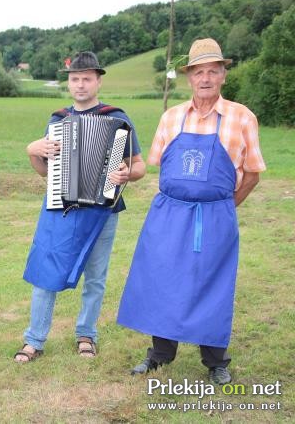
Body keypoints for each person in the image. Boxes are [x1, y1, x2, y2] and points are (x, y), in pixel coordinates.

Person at [117, 38, 266, 385]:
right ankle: (160, 354)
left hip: (214, 214)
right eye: (199, 72)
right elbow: (159, 167)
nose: (205, 79)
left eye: (213, 71)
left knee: (212, 282)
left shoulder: (242, 118)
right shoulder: (171, 118)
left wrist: (225, 207)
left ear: (223, 76)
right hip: (170, 213)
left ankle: (215, 361)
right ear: (189, 78)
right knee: (163, 277)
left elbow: (253, 174)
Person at [14, 51, 146, 363]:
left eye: (87, 78)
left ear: (98, 81)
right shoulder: (58, 121)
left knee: (96, 277)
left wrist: (128, 173)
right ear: (69, 82)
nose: (81, 84)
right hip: (61, 206)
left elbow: (138, 166)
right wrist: (32, 151)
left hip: (103, 210)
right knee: (47, 270)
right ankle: (34, 339)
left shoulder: (118, 119)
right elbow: (46, 171)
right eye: (75, 79)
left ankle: (86, 334)